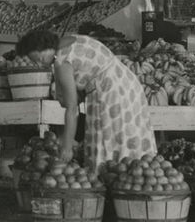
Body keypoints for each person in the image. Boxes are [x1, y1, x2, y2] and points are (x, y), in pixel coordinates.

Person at [13, 27, 154, 168]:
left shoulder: (61, 62)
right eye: (35, 61)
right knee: (125, 136)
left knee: (110, 140)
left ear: (46, 48)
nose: (40, 64)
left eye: (40, 58)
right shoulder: (65, 41)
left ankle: (114, 178)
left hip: (111, 91)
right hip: (126, 83)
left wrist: (67, 147)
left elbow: (72, 109)